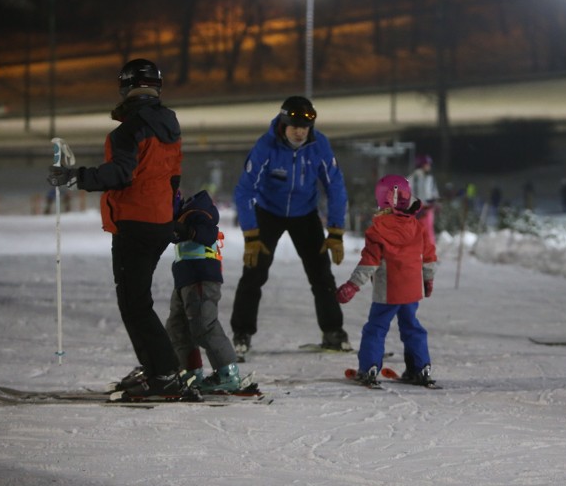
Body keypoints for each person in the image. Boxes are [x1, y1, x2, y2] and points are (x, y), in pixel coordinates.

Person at [47, 58, 197, 401]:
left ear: (125, 88)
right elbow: (174, 176)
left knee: (134, 304)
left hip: (135, 222)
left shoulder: (126, 132)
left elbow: (121, 173)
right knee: (138, 301)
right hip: (158, 221)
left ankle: (164, 372)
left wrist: (76, 177)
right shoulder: (169, 126)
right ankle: (159, 366)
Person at [231, 95, 351, 360]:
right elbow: (244, 190)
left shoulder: (319, 145)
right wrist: (251, 234)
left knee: (321, 274)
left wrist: (336, 230)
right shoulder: (266, 146)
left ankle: (333, 331)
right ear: (283, 125)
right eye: (294, 126)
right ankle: (241, 332)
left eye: (305, 127)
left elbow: (335, 186)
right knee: (254, 273)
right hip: (268, 212)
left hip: (304, 214)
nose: (300, 132)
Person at [335, 175, 437, 386]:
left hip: (388, 292)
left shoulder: (377, 229)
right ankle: (421, 368)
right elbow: (428, 256)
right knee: (412, 327)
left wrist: (353, 285)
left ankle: (369, 367)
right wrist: (428, 280)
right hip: (411, 291)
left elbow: (369, 262)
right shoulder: (417, 227)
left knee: (376, 328)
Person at [165, 189, 255, 392]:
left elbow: (208, 233)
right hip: (185, 279)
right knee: (177, 326)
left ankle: (227, 373)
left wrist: (188, 231)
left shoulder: (199, 212)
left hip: (201, 277)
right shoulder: (183, 216)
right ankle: (190, 371)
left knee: (204, 325)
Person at [407, 154, 440, 245]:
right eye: (427, 164)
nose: (429, 166)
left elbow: (433, 193)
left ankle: (428, 253)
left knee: (428, 231)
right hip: (417, 210)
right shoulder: (414, 178)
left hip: (427, 209)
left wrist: (436, 203)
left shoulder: (430, 178)